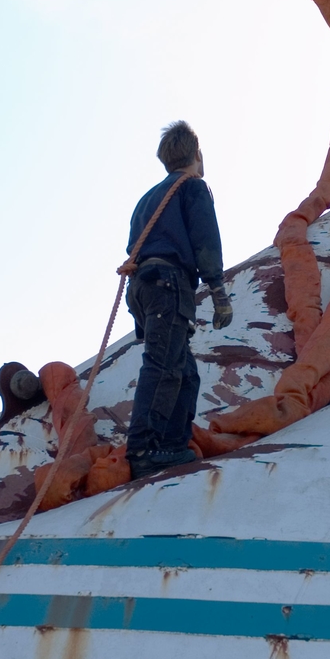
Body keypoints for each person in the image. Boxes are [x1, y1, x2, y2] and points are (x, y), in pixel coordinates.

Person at [125, 121, 232, 479]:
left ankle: (171, 446)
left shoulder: (147, 200)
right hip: (168, 284)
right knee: (165, 366)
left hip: (144, 287)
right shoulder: (193, 187)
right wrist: (218, 292)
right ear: (198, 154)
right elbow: (205, 240)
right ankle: (144, 450)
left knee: (184, 373)